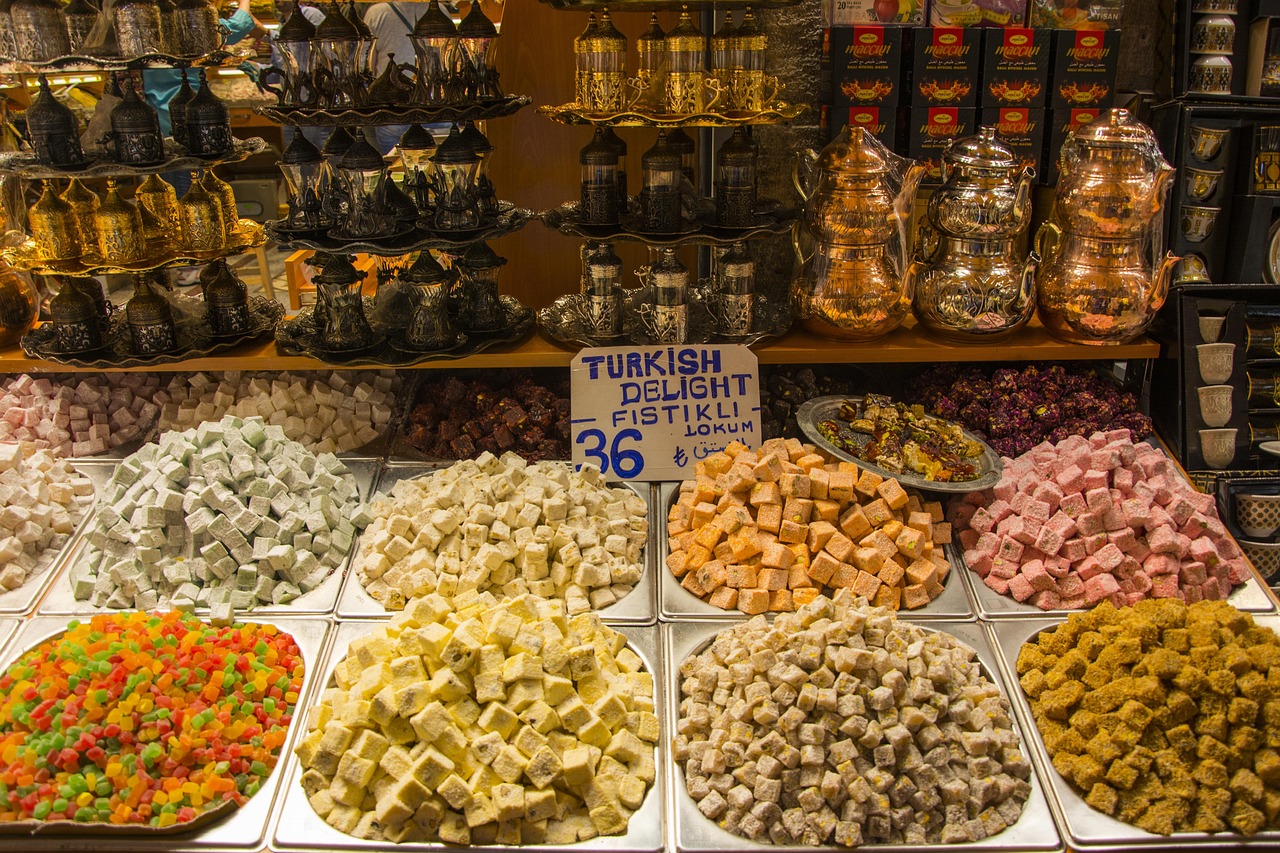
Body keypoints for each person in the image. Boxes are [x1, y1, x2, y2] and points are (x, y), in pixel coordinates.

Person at [144, 0, 261, 195]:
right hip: (190, 117)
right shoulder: (190, 23)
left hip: (156, 119)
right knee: (190, 188)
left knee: (164, 191)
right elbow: (237, 27)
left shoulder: (149, 30)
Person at [362, 1, 436, 154]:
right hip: (436, 110)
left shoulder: (377, 13)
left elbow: (366, 65)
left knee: (396, 169)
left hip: (393, 111)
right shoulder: (440, 11)